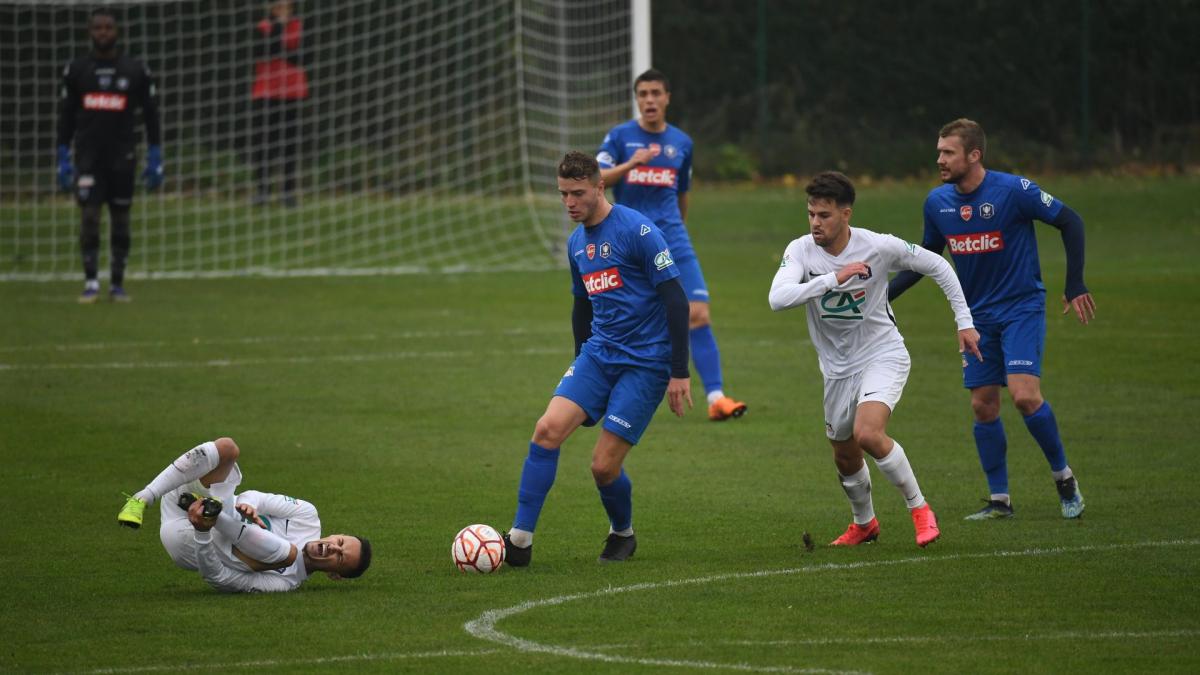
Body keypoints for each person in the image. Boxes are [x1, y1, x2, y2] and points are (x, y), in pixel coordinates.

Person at [888, 118, 1095, 521]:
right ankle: (1000, 501)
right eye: (939, 152)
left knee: (1024, 395)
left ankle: (1064, 478)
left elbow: (1071, 221)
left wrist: (1076, 283)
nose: (940, 160)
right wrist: (881, 294)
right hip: (976, 316)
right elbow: (926, 258)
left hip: (1021, 308)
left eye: (948, 152)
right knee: (983, 406)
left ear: (974, 155)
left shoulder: (1013, 191)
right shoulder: (938, 203)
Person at [769, 171, 982, 547]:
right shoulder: (800, 249)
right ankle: (864, 524)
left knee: (869, 433)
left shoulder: (879, 246)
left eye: (824, 215)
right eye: (811, 214)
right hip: (836, 370)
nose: (815, 223)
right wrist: (834, 279)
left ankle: (920, 510)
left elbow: (939, 266)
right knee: (845, 457)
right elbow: (778, 298)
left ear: (846, 214)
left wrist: (964, 322)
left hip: (882, 354)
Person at [503, 151, 692, 567]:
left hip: (646, 363)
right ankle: (519, 540)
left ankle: (622, 534)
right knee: (546, 429)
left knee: (603, 467)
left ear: (599, 186)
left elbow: (676, 300)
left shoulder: (638, 230)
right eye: (563, 194)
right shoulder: (576, 244)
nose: (569, 202)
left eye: (578, 193)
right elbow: (581, 307)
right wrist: (579, 369)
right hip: (598, 354)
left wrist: (680, 372)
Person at [596, 69, 747, 422]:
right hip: (628, 242)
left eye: (655, 93)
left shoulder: (682, 142)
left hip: (672, 239)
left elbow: (682, 195)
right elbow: (596, 178)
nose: (649, 100)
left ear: (667, 98)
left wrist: (676, 230)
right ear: (637, 99)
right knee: (625, 319)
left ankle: (717, 397)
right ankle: (609, 389)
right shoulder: (620, 138)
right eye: (643, 94)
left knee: (699, 312)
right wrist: (631, 164)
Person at [115, 437, 372, 593]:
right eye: (340, 543)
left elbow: (219, 577)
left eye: (339, 558)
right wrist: (249, 505)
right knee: (227, 449)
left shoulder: (285, 584)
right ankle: (141, 499)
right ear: (337, 535)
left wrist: (203, 533)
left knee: (289, 554)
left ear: (334, 576)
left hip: (189, 541)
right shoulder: (307, 516)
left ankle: (214, 518)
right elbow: (257, 496)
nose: (332, 549)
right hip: (204, 504)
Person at [57, 7, 162, 303]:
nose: (103, 32)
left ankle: (117, 284)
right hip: (89, 157)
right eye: (98, 28)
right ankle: (91, 282)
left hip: (123, 155)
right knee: (89, 217)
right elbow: (66, 117)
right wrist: (62, 154)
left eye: (108, 28)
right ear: (90, 32)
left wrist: (155, 154)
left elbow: (151, 115)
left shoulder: (135, 70)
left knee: (121, 218)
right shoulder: (77, 70)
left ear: (117, 32)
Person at [250, 0, 309, 207]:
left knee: (290, 145)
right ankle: (262, 191)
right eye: (280, 7)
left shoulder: (299, 27)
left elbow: (301, 57)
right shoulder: (263, 27)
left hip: (292, 92)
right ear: (273, 9)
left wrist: (284, 51)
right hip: (266, 92)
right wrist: (279, 27)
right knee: (264, 144)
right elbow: (267, 51)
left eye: (288, 7)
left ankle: (289, 193)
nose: (284, 11)